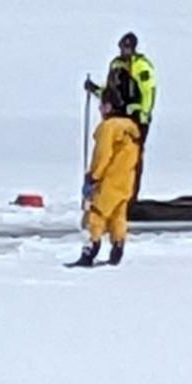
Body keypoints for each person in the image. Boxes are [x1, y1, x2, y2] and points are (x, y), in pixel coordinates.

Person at [69, 90, 141, 267]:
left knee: (95, 215)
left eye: (102, 105)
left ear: (109, 106)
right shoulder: (130, 128)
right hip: (125, 181)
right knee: (118, 216)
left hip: (108, 181)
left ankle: (89, 251)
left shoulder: (108, 128)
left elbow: (103, 155)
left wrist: (93, 177)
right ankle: (117, 249)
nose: (100, 109)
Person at [84, 31, 156, 195]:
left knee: (131, 159)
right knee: (112, 156)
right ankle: (108, 194)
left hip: (135, 119)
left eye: (128, 48)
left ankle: (130, 197)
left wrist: (142, 113)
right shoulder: (116, 65)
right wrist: (95, 90)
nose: (125, 51)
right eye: (123, 47)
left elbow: (147, 92)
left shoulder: (141, 66)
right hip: (117, 117)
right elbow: (110, 91)